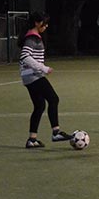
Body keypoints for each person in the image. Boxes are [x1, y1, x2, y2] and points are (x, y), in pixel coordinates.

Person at [18, 12, 72, 148]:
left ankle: (32, 139)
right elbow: (25, 56)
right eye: (44, 23)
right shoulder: (32, 37)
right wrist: (43, 68)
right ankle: (56, 132)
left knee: (39, 106)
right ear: (37, 23)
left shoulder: (33, 36)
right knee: (54, 99)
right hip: (33, 75)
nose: (46, 26)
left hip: (28, 76)